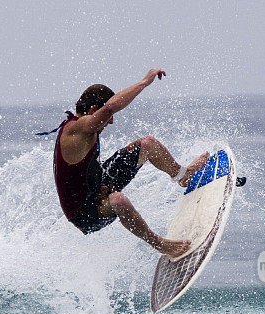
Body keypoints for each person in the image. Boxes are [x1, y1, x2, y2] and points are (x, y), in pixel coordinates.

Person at [47, 68, 210, 257]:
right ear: (93, 110)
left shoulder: (84, 125)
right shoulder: (77, 129)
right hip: (85, 212)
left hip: (97, 182)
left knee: (147, 144)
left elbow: (108, 110)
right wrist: (144, 82)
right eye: (108, 118)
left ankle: (183, 176)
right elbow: (109, 108)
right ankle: (160, 244)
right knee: (119, 200)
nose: (111, 122)